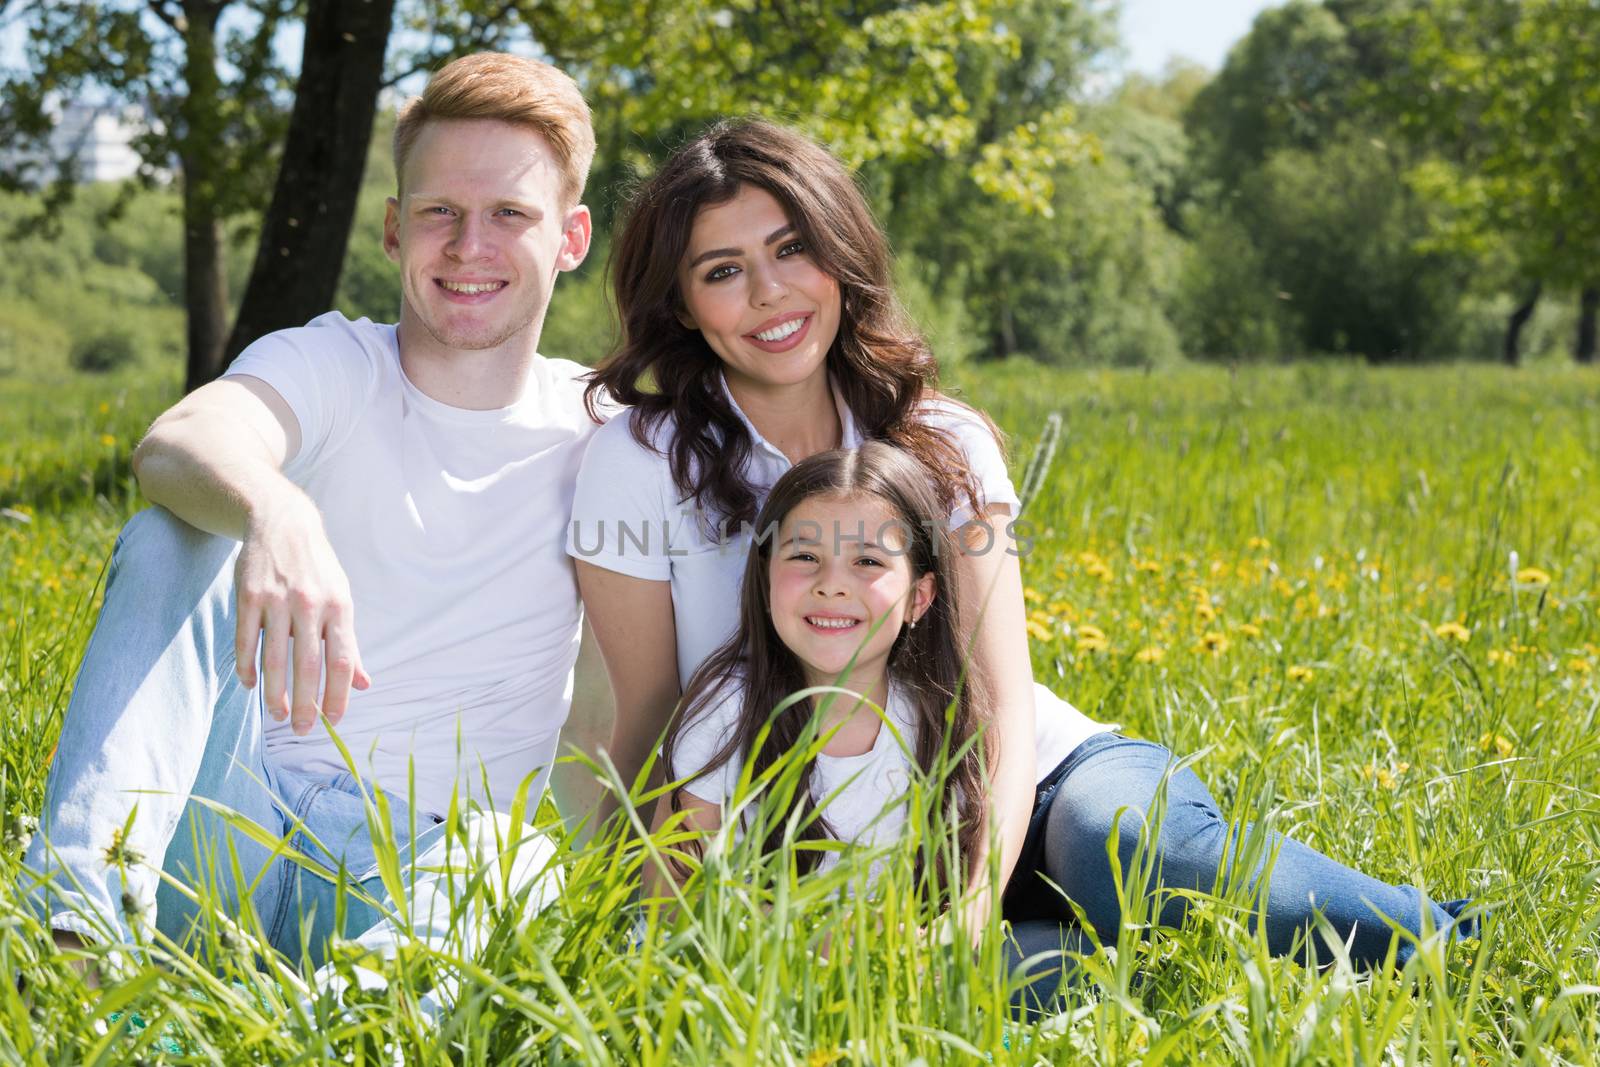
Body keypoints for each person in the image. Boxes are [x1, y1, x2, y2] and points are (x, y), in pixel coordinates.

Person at [22, 52, 606, 973]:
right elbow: (178, 441)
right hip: (230, 824)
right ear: (391, 229)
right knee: (178, 530)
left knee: (523, 853)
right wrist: (275, 509)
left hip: (423, 865)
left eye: (509, 215)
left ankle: (354, 1025)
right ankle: (73, 945)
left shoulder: (607, 432)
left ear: (570, 239)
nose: (468, 247)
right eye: (439, 213)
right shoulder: (336, 362)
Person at [657, 442, 1478, 1009]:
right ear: (763, 576)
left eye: (868, 561)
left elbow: (1000, 791)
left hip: (1050, 786)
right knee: (997, 981)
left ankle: (1440, 938)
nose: (831, 585)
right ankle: (1198, 980)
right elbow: (677, 908)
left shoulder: (934, 695)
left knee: (1114, 848)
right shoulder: (729, 719)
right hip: (938, 920)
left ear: (919, 598)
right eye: (804, 556)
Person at [569, 119, 1076, 934]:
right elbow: (652, 723)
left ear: (840, 254)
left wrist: (970, 917)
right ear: (685, 306)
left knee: (1121, 848)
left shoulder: (945, 440)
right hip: (819, 839)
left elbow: (1002, 708)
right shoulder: (639, 463)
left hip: (1022, 783)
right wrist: (608, 923)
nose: (769, 292)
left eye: (793, 248)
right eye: (723, 271)